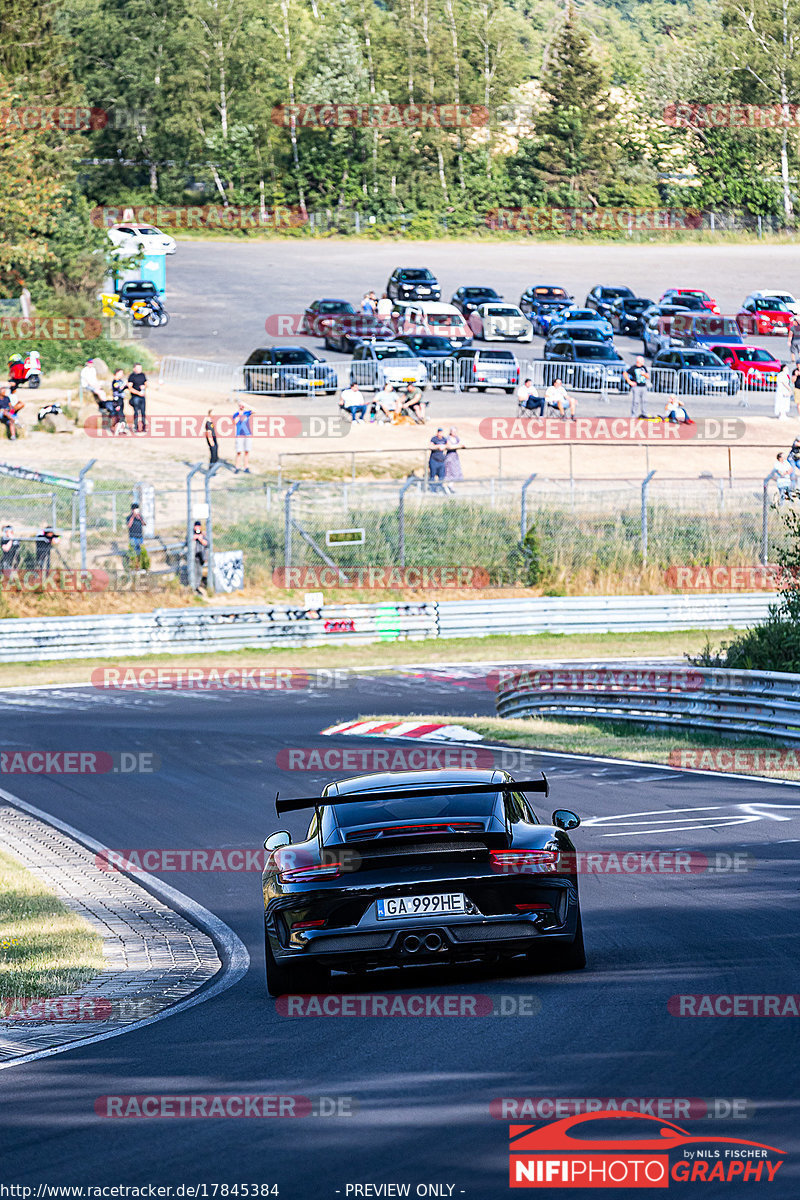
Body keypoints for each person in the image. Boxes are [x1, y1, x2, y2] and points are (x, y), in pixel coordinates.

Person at [127, 363, 147, 432]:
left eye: (140, 368)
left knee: (143, 412)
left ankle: (144, 427)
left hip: (142, 397)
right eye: (138, 368)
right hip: (135, 397)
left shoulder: (143, 375)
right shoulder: (131, 376)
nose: (139, 370)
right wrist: (138, 393)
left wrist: (144, 388)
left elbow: (146, 384)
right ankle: (136, 427)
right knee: (136, 412)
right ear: (134, 369)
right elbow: (130, 388)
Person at [233, 400, 252, 471]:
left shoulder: (247, 413)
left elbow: (255, 411)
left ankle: (246, 467)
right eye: (240, 405)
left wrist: (246, 405)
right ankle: (237, 467)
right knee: (239, 452)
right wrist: (239, 415)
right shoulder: (236, 414)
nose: (241, 406)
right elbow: (234, 422)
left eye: (242, 405)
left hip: (247, 434)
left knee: (247, 451)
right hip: (239, 435)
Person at [428, 427, 449, 492]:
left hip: (441, 461)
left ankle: (440, 488)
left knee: (441, 476)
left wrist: (444, 446)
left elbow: (448, 445)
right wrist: (438, 446)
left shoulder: (444, 439)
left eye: (441, 432)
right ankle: (432, 489)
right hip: (434, 460)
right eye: (439, 432)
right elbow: (430, 446)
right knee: (432, 475)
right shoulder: (434, 439)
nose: (440, 434)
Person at [109, 369, 129, 433]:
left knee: (121, 414)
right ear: (117, 373)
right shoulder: (114, 382)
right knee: (120, 415)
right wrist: (124, 385)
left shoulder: (120, 381)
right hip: (117, 400)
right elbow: (118, 389)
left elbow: (124, 388)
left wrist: (127, 385)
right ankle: (117, 429)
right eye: (121, 373)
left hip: (121, 399)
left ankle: (121, 429)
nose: (122, 374)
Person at [193, 520, 209, 585]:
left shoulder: (202, 534)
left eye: (198, 526)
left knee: (199, 572)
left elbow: (207, 543)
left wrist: (201, 539)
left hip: (200, 556)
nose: (197, 528)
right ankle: (193, 585)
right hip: (193, 556)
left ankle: (197, 585)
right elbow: (187, 542)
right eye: (196, 526)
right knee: (193, 571)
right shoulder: (191, 534)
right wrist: (194, 537)